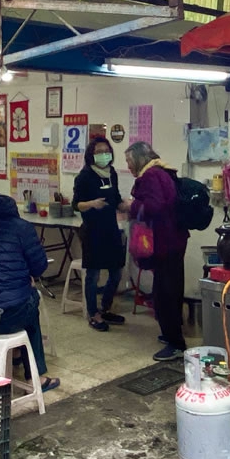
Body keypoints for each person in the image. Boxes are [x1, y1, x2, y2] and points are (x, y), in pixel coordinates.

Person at [0, 193, 60, 392]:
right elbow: (39, 267)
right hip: (12, 312)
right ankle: (36, 376)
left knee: (23, 300)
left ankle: (13, 357)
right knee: (31, 308)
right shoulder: (22, 228)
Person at [120, 142, 189, 361]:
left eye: (130, 162)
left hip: (165, 242)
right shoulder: (162, 171)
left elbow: (155, 206)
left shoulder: (151, 176)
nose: (129, 166)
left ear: (139, 160)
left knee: (165, 293)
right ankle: (171, 335)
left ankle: (176, 343)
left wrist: (130, 206)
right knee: (170, 289)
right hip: (174, 240)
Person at [72, 137, 127, 332]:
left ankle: (105, 308)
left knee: (116, 271)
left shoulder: (112, 173)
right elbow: (76, 204)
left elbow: (116, 199)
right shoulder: (85, 176)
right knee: (93, 275)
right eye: (99, 151)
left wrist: (128, 206)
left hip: (111, 229)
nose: (104, 154)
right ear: (91, 155)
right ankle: (92, 313)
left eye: (106, 150)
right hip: (93, 231)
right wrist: (92, 204)